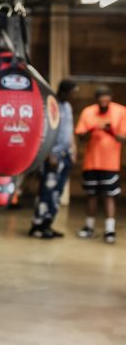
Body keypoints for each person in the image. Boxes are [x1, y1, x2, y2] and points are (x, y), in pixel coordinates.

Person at [75, 85, 126, 243]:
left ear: (111, 97)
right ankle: (89, 227)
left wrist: (111, 132)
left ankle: (109, 230)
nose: (104, 99)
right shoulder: (88, 112)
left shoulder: (121, 111)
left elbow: (124, 139)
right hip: (91, 162)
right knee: (91, 194)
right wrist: (93, 129)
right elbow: (81, 137)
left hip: (110, 163)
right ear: (96, 99)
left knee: (109, 196)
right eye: (100, 97)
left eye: (107, 96)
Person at [28, 80, 78, 239]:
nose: (74, 96)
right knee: (46, 191)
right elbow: (43, 132)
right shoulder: (51, 105)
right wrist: (49, 155)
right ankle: (37, 225)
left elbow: (69, 130)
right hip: (52, 157)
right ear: (64, 91)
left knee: (57, 192)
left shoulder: (68, 107)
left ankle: (48, 224)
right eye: (72, 92)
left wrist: (73, 149)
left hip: (65, 156)